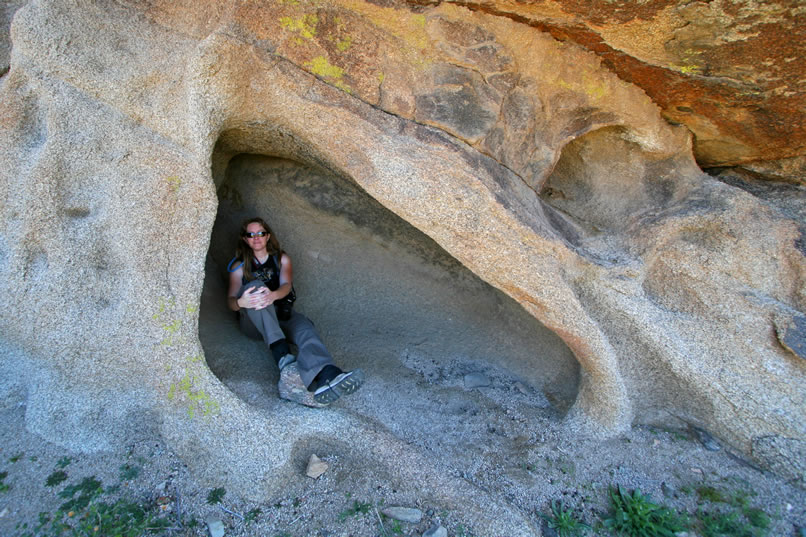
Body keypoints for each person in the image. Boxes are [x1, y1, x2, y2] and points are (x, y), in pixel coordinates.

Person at [227, 217, 363, 404]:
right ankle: (282, 356)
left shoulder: (281, 259)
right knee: (257, 286)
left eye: (261, 233)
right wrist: (242, 302)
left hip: (280, 314)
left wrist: (272, 296)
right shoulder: (239, 266)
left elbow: (286, 285)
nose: (256, 238)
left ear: (268, 237)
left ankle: (328, 374)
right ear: (245, 239)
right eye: (251, 235)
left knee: (305, 328)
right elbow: (230, 301)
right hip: (254, 322)